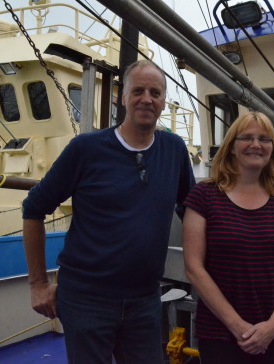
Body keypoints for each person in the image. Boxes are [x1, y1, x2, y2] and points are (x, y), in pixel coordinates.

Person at [22, 59, 195, 364]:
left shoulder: (174, 149)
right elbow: (33, 208)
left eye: (155, 92)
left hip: (144, 299)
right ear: (121, 96)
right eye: (138, 90)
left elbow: (192, 210)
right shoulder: (86, 149)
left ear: (164, 101)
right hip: (87, 299)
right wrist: (38, 284)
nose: (147, 98)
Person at [182, 111, 274, 364]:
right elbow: (194, 267)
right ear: (232, 147)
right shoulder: (204, 196)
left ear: (272, 148)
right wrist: (237, 326)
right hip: (220, 334)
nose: (256, 145)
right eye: (246, 137)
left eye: (264, 139)